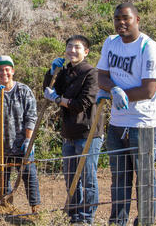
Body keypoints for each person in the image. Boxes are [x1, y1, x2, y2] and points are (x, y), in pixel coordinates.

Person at [96, 2, 156, 225]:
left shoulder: (148, 47)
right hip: (117, 122)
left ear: (137, 20)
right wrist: (113, 89)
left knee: (144, 179)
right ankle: (118, 222)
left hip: (144, 122)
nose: (121, 23)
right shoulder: (110, 43)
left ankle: (145, 221)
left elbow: (148, 90)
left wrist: (119, 93)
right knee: (119, 179)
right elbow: (102, 77)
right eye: (117, 19)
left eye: (126, 18)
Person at [43, 35, 104, 224]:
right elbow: (48, 90)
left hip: (87, 133)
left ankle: (86, 218)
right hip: (68, 133)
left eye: (77, 47)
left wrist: (59, 100)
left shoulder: (92, 73)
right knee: (71, 178)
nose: (72, 51)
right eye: (69, 47)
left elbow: (82, 103)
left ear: (86, 52)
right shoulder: (65, 71)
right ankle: (73, 215)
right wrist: (51, 71)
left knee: (87, 178)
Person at [0, 55, 41, 213]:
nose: (4, 73)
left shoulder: (23, 90)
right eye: (0, 70)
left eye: (7, 69)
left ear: (12, 71)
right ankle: (7, 209)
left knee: (29, 175)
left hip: (20, 143)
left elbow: (31, 116)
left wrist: (29, 140)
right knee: (2, 178)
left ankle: (35, 209)